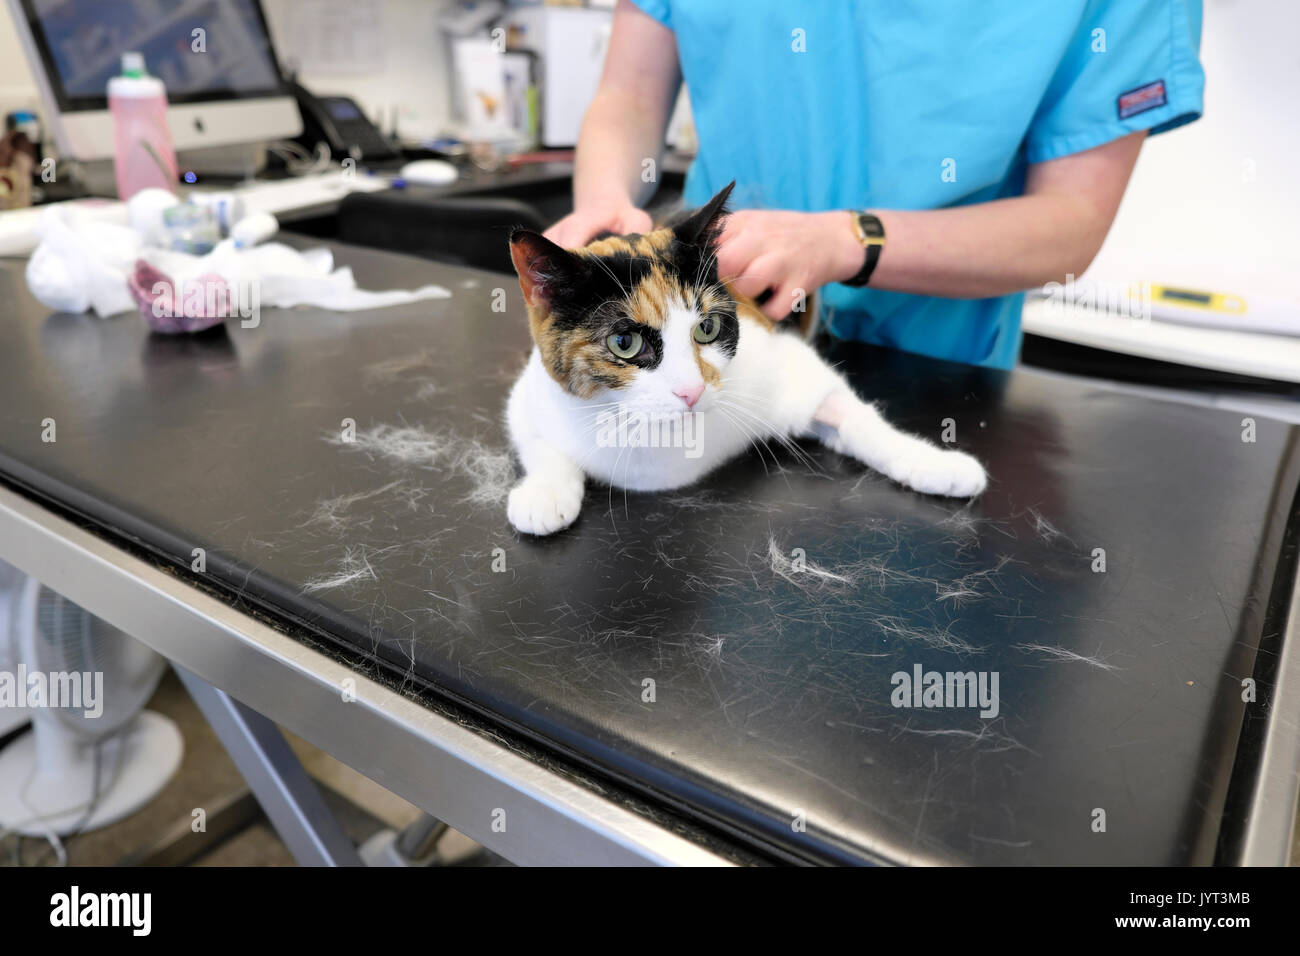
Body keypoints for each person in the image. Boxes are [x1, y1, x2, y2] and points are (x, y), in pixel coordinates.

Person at [546, 0, 1205, 369]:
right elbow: (629, 96)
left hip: (934, 377)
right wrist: (606, 196)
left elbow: (1071, 221)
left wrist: (843, 241)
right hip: (713, 345)